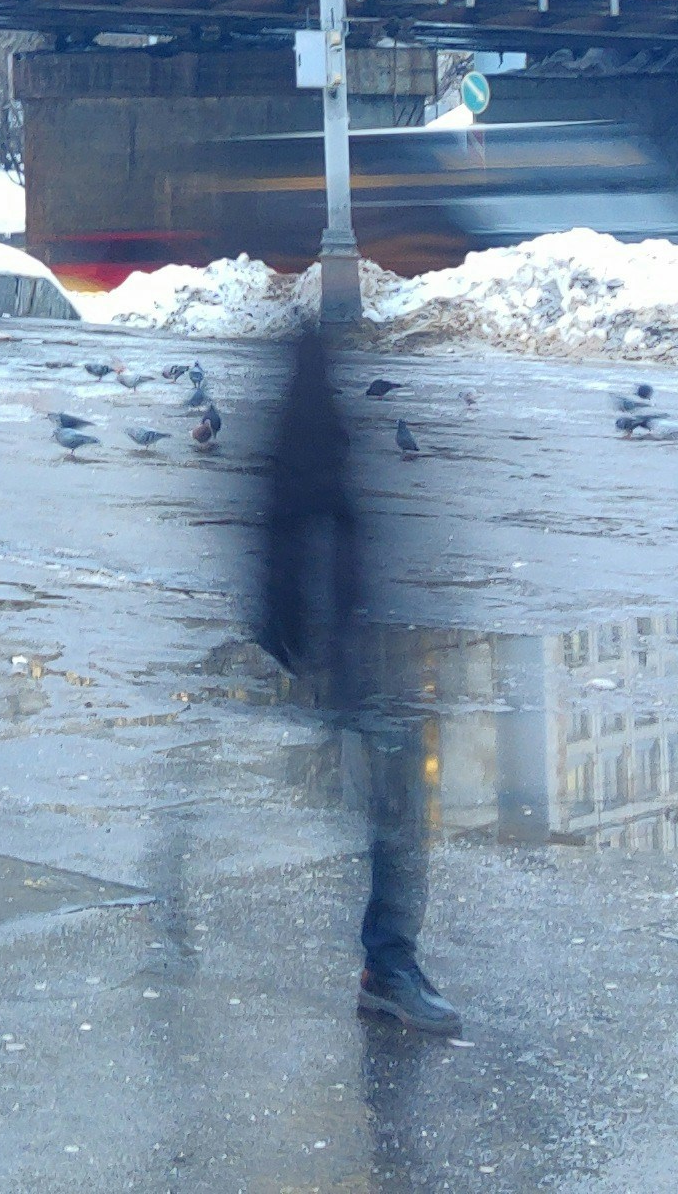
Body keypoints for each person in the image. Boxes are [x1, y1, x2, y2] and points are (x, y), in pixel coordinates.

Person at [257, 319, 457, 1033]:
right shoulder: (318, 375)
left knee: (391, 795)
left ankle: (389, 961)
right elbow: (292, 514)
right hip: (342, 633)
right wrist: (307, 639)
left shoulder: (324, 375)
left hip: (351, 623)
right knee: (398, 794)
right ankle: (389, 965)